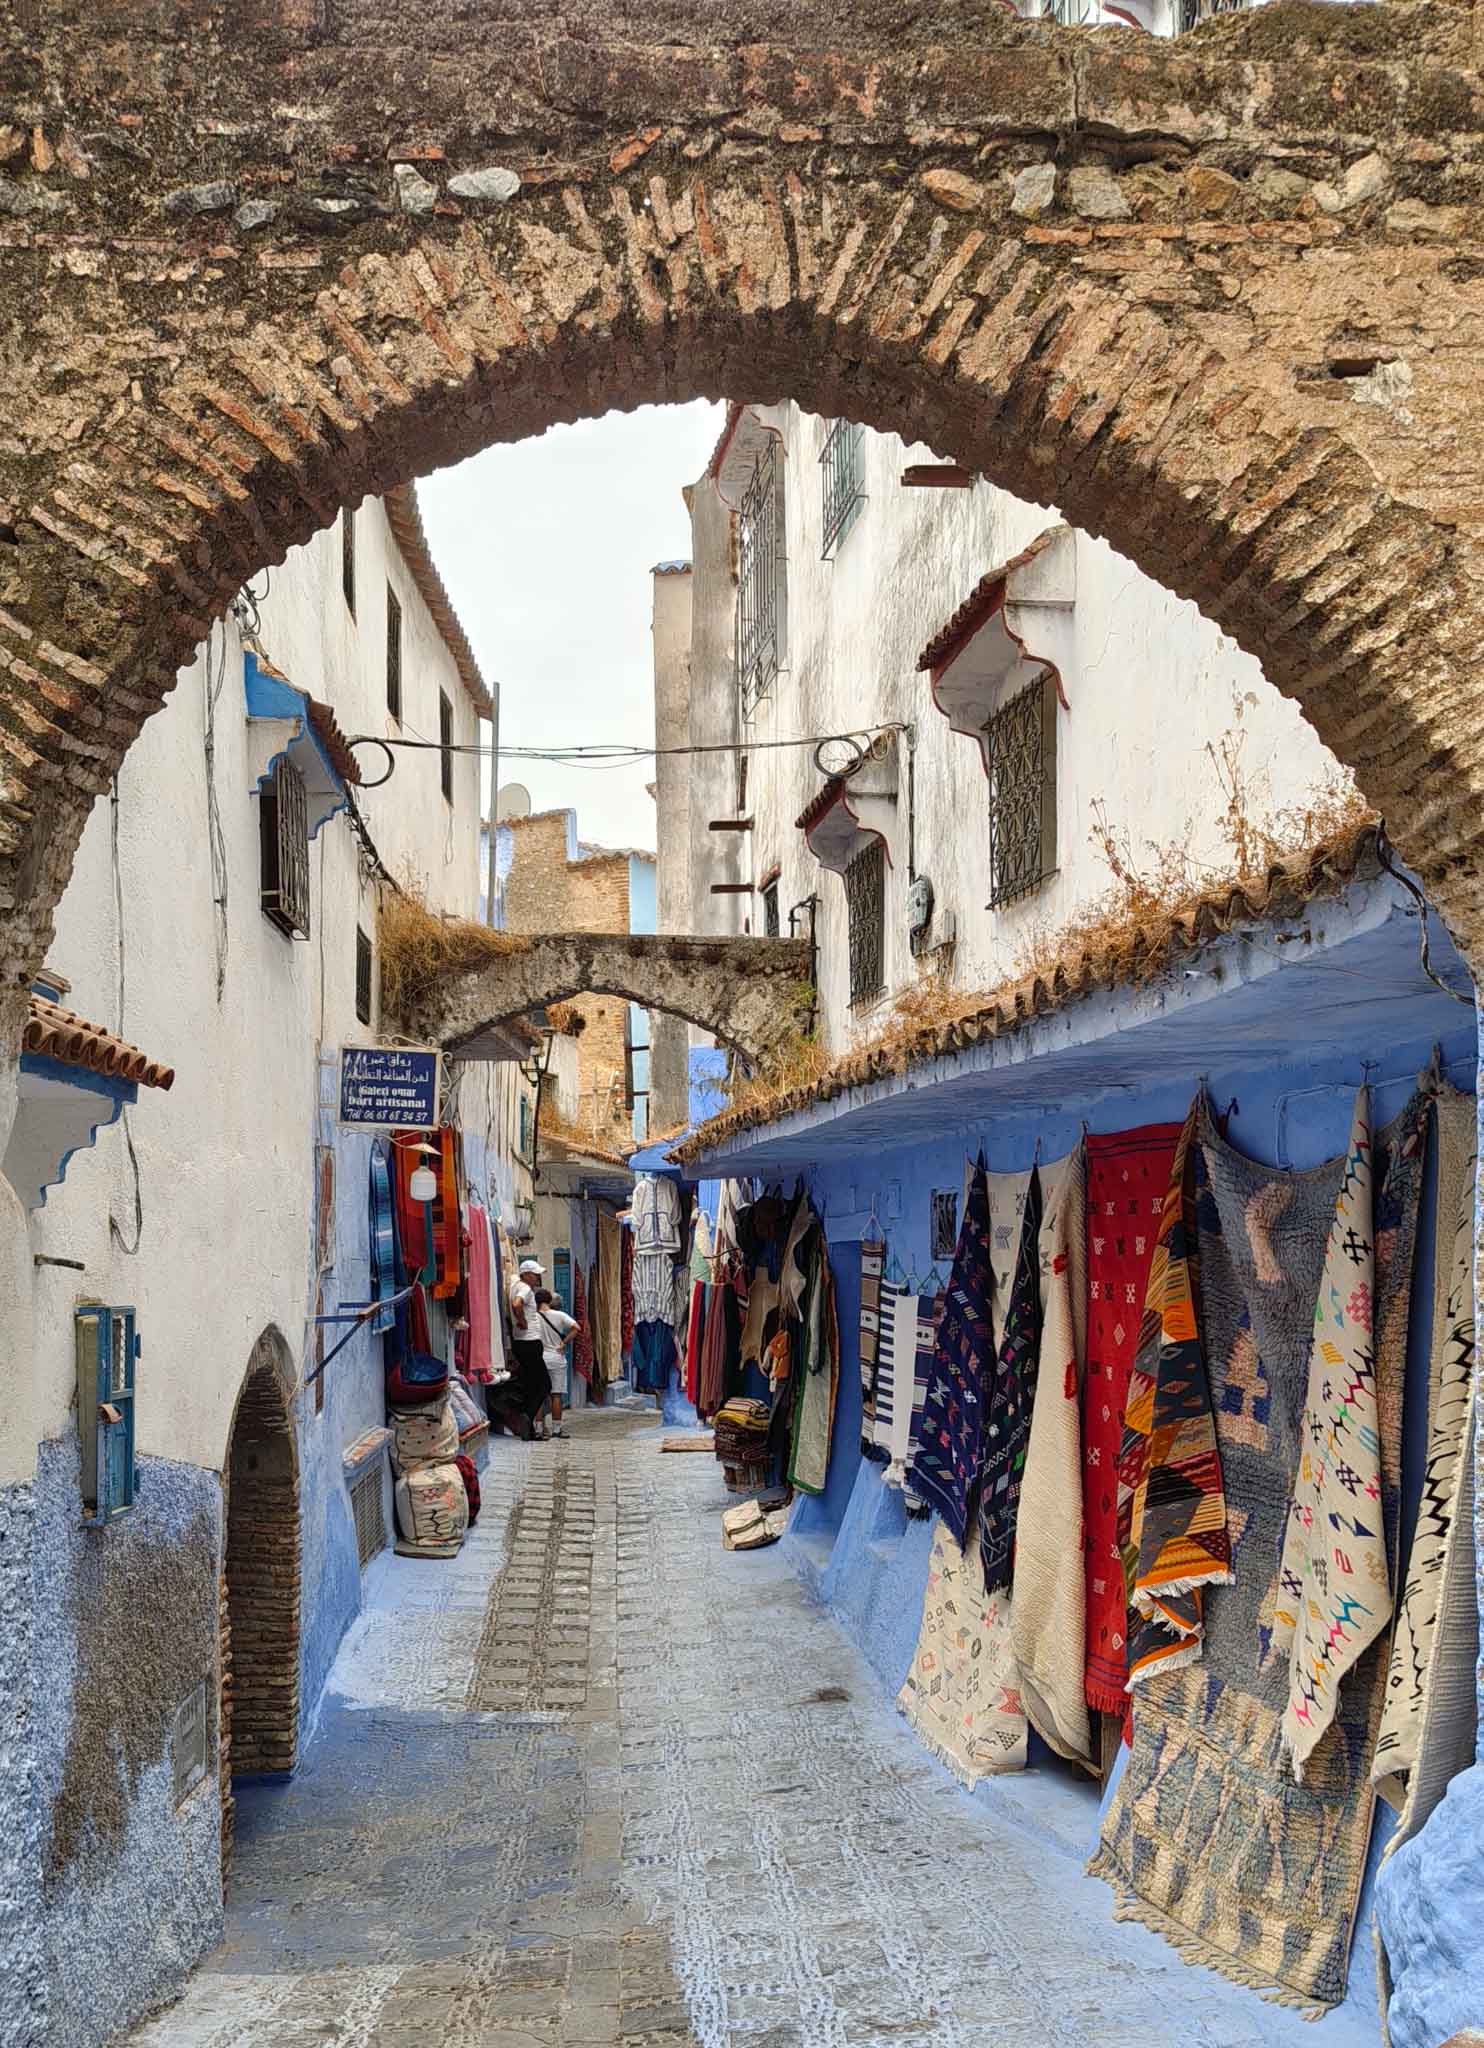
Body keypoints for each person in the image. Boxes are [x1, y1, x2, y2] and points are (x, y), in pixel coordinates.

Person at [507, 1257, 552, 1438]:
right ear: (526, 1275)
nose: (537, 1278)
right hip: (530, 1341)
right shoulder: (524, 1289)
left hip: (521, 1342)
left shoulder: (516, 1286)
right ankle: (527, 1416)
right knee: (544, 1385)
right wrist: (522, 1320)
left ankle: (529, 1427)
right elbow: (517, 1304)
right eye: (534, 1275)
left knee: (531, 1384)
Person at [534, 1287, 579, 1439]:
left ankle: (538, 1429)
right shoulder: (559, 1315)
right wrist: (563, 1342)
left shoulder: (533, 1317)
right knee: (556, 1395)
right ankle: (557, 1430)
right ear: (549, 1301)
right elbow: (576, 1328)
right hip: (556, 1358)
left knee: (538, 1395)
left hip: (539, 1358)